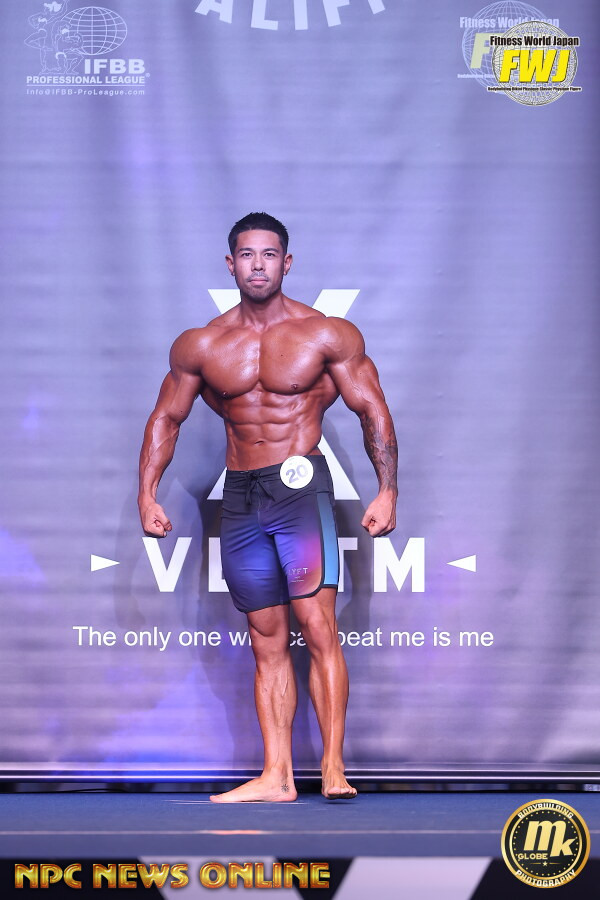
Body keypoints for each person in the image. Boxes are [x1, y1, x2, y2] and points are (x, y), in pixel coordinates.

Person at [138, 212, 397, 802]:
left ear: (287, 262)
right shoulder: (202, 344)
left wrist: (387, 489)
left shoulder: (326, 334)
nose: (259, 265)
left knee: (318, 625)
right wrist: (147, 493)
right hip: (242, 494)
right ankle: (276, 776)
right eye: (248, 255)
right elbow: (167, 417)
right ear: (231, 265)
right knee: (266, 637)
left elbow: (372, 409)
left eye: (270, 254)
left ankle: (332, 767)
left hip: (300, 489)